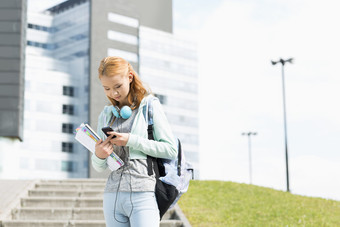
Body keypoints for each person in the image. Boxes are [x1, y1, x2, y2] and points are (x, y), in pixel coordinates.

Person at [92, 56, 178, 227]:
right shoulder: (106, 115)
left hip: (142, 194)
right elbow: (99, 166)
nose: (113, 93)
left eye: (118, 86)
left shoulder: (149, 107)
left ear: (129, 77)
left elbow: (171, 150)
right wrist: (99, 155)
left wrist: (131, 140)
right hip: (112, 197)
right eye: (107, 88)